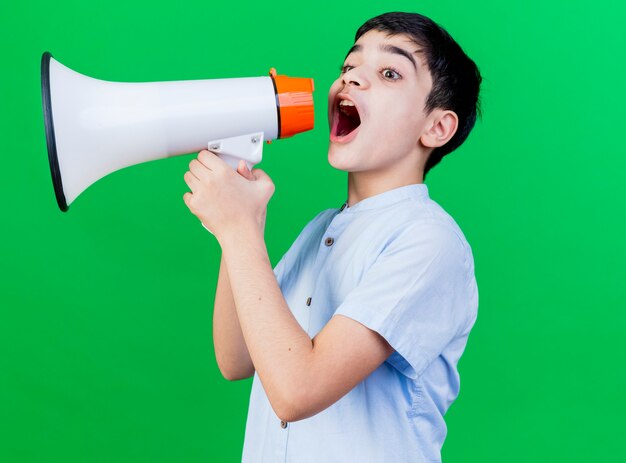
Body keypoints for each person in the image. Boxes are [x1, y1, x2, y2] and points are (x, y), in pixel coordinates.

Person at [183, 11, 481, 463]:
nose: (352, 80)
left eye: (389, 72)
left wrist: (239, 229)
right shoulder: (322, 229)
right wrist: (242, 229)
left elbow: (296, 390)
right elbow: (236, 357)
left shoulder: (428, 241)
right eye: (348, 67)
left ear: (436, 127)